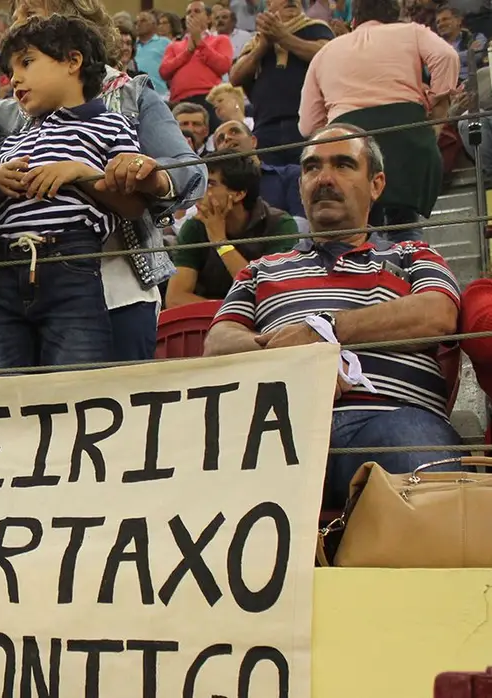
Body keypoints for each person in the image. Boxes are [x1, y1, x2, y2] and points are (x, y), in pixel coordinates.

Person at [204, 125, 464, 510]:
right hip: (275, 429)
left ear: (376, 185)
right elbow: (218, 343)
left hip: (387, 418)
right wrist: (291, 356)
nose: (324, 179)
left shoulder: (412, 254)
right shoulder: (262, 269)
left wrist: (321, 331)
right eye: (311, 168)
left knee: (413, 459)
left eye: (343, 165)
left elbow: (437, 314)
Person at [0, 0, 205, 363]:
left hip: (114, 290)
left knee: (96, 410)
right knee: (4, 406)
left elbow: (189, 173)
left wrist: (139, 174)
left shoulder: (130, 95)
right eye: (16, 18)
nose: (17, 25)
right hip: (7, 283)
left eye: (30, 16)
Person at [0, 15, 148, 370]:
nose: (15, 79)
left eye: (26, 62)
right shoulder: (12, 140)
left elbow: (132, 206)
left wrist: (82, 173)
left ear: (73, 61)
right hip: (0, 269)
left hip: (69, 263)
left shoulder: (111, 123)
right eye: (10, 70)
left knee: (75, 388)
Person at [299, 0, 459, 241]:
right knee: (404, 226)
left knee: (358, 231)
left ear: (353, 20)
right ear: (398, 15)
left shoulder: (326, 51)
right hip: (408, 137)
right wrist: (438, 105)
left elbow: (308, 125)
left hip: (349, 142)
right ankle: (409, 274)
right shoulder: (411, 31)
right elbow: (447, 55)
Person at [165, 151, 299, 307]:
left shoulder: (279, 225)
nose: (199, 192)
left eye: (210, 184)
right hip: (208, 323)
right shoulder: (194, 226)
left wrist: (221, 243)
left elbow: (268, 294)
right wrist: (231, 314)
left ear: (238, 194)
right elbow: (175, 299)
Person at [230, 0, 333, 167]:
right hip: (265, 126)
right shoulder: (257, 39)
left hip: (306, 124)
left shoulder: (316, 28)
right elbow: (235, 77)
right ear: (269, 5)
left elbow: (327, 54)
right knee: (269, 182)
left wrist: (284, 38)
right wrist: (262, 47)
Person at [158, 0, 234, 125]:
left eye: (197, 11)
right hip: (178, 102)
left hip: (209, 99)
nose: (192, 15)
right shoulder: (173, 46)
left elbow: (224, 66)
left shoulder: (221, 40)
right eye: (188, 13)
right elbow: (164, 71)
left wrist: (200, 43)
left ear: (209, 19)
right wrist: (187, 52)